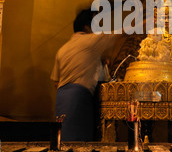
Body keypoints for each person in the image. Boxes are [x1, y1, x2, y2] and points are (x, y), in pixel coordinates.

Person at [51, 8, 121, 141]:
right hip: (78, 98)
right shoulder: (90, 41)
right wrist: (143, 23)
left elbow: (55, 81)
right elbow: (119, 34)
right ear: (87, 27)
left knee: (63, 140)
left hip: (61, 99)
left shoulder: (63, 49)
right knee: (79, 144)